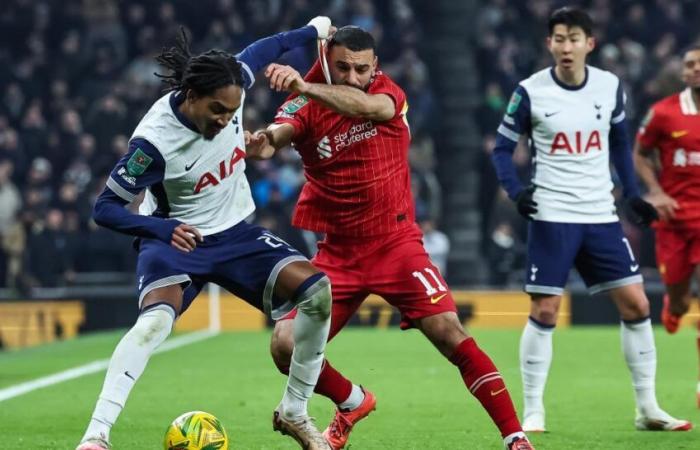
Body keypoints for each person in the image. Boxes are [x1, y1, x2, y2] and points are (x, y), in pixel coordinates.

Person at [246, 26, 534, 450]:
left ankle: (516, 437)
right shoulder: (302, 105)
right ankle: (352, 401)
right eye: (341, 67)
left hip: (396, 244)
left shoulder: (387, 92)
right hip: (339, 254)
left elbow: (368, 107)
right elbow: (278, 137)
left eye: (360, 68)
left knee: (450, 333)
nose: (351, 76)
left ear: (374, 67)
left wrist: (306, 82)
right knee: (284, 345)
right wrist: (262, 141)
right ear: (328, 59)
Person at [76, 19, 337, 450]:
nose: (225, 120)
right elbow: (103, 208)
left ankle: (294, 410)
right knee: (153, 325)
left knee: (318, 292)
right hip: (175, 240)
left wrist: (314, 31)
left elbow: (269, 45)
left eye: (232, 113)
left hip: (233, 232)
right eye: (217, 110)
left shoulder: (232, 77)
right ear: (191, 97)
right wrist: (162, 227)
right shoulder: (153, 145)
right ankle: (96, 434)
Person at [491, 6, 692, 433]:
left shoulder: (610, 86)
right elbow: (501, 150)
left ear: (589, 44)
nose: (566, 47)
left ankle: (647, 408)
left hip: (600, 214)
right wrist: (516, 192)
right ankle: (534, 410)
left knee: (637, 303)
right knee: (545, 309)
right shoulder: (530, 91)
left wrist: (633, 197)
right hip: (552, 214)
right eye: (559, 39)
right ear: (550, 44)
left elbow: (621, 144)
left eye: (574, 39)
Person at [633, 44, 700, 407]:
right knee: (679, 297)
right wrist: (655, 192)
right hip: (674, 220)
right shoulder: (663, 113)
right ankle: (675, 307)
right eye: (690, 64)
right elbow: (640, 154)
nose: (695, 69)